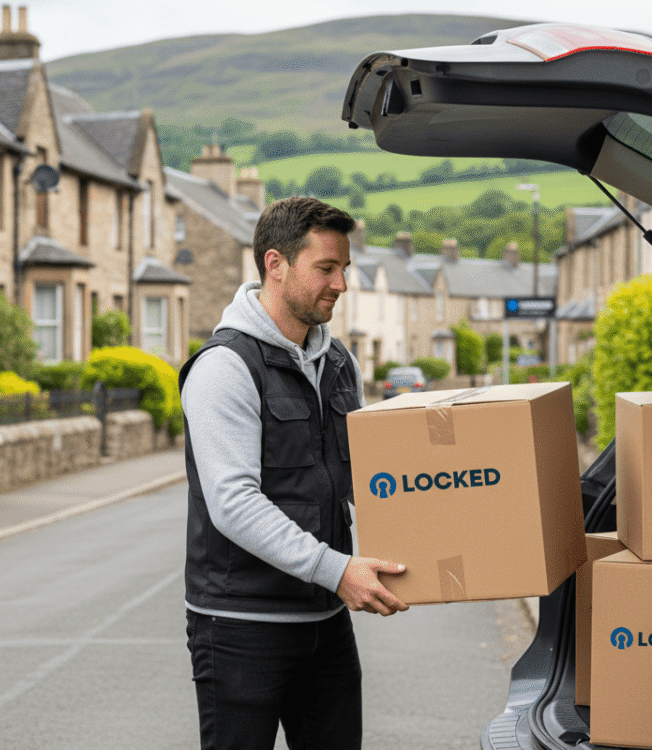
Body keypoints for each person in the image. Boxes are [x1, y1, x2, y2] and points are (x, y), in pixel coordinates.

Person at [178, 196, 408, 750]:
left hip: (324, 621)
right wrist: (337, 569)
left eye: (344, 269)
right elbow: (234, 503)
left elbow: (364, 477)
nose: (341, 285)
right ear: (275, 264)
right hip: (239, 625)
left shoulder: (339, 364)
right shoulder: (225, 367)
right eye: (326, 268)